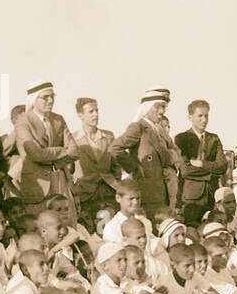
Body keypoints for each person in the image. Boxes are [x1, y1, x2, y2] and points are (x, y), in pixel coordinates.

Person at [114, 88, 180, 218]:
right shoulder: (138, 127)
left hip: (164, 195)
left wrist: (172, 159)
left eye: (164, 107)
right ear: (147, 107)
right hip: (146, 196)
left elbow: (176, 150)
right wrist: (135, 167)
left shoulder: (160, 130)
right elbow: (115, 148)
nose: (162, 111)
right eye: (158, 107)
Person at [15, 82, 78, 215]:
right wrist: (62, 150)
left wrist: (52, 159)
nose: (50, 101)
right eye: (45, 97)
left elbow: (74, 151)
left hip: (61, 183)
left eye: (52, 96)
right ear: (34, 99)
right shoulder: (23, 121)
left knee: (65, 225)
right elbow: (35, 154)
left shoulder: (58, 119)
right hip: (37, 187)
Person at [173, 99, 228, 227]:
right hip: (191, 199)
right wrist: (211, 173)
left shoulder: (214, 138)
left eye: (206, 115)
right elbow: (185, 170)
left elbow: (223, 166)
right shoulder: (182, 138)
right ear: (190, 117)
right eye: (200, 116)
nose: (204, 119)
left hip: (211, 196)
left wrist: (202, 164)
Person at [71, 96, 119, 232]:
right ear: (80, 115)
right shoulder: (73, 138)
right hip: (85, 194)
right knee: (88, 231)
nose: (96, 114)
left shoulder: (108, 136)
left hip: (107, 193)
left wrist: (114, 184)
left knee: (106, 230)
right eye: (91, 111)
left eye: (97, 110)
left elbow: (115, 165)